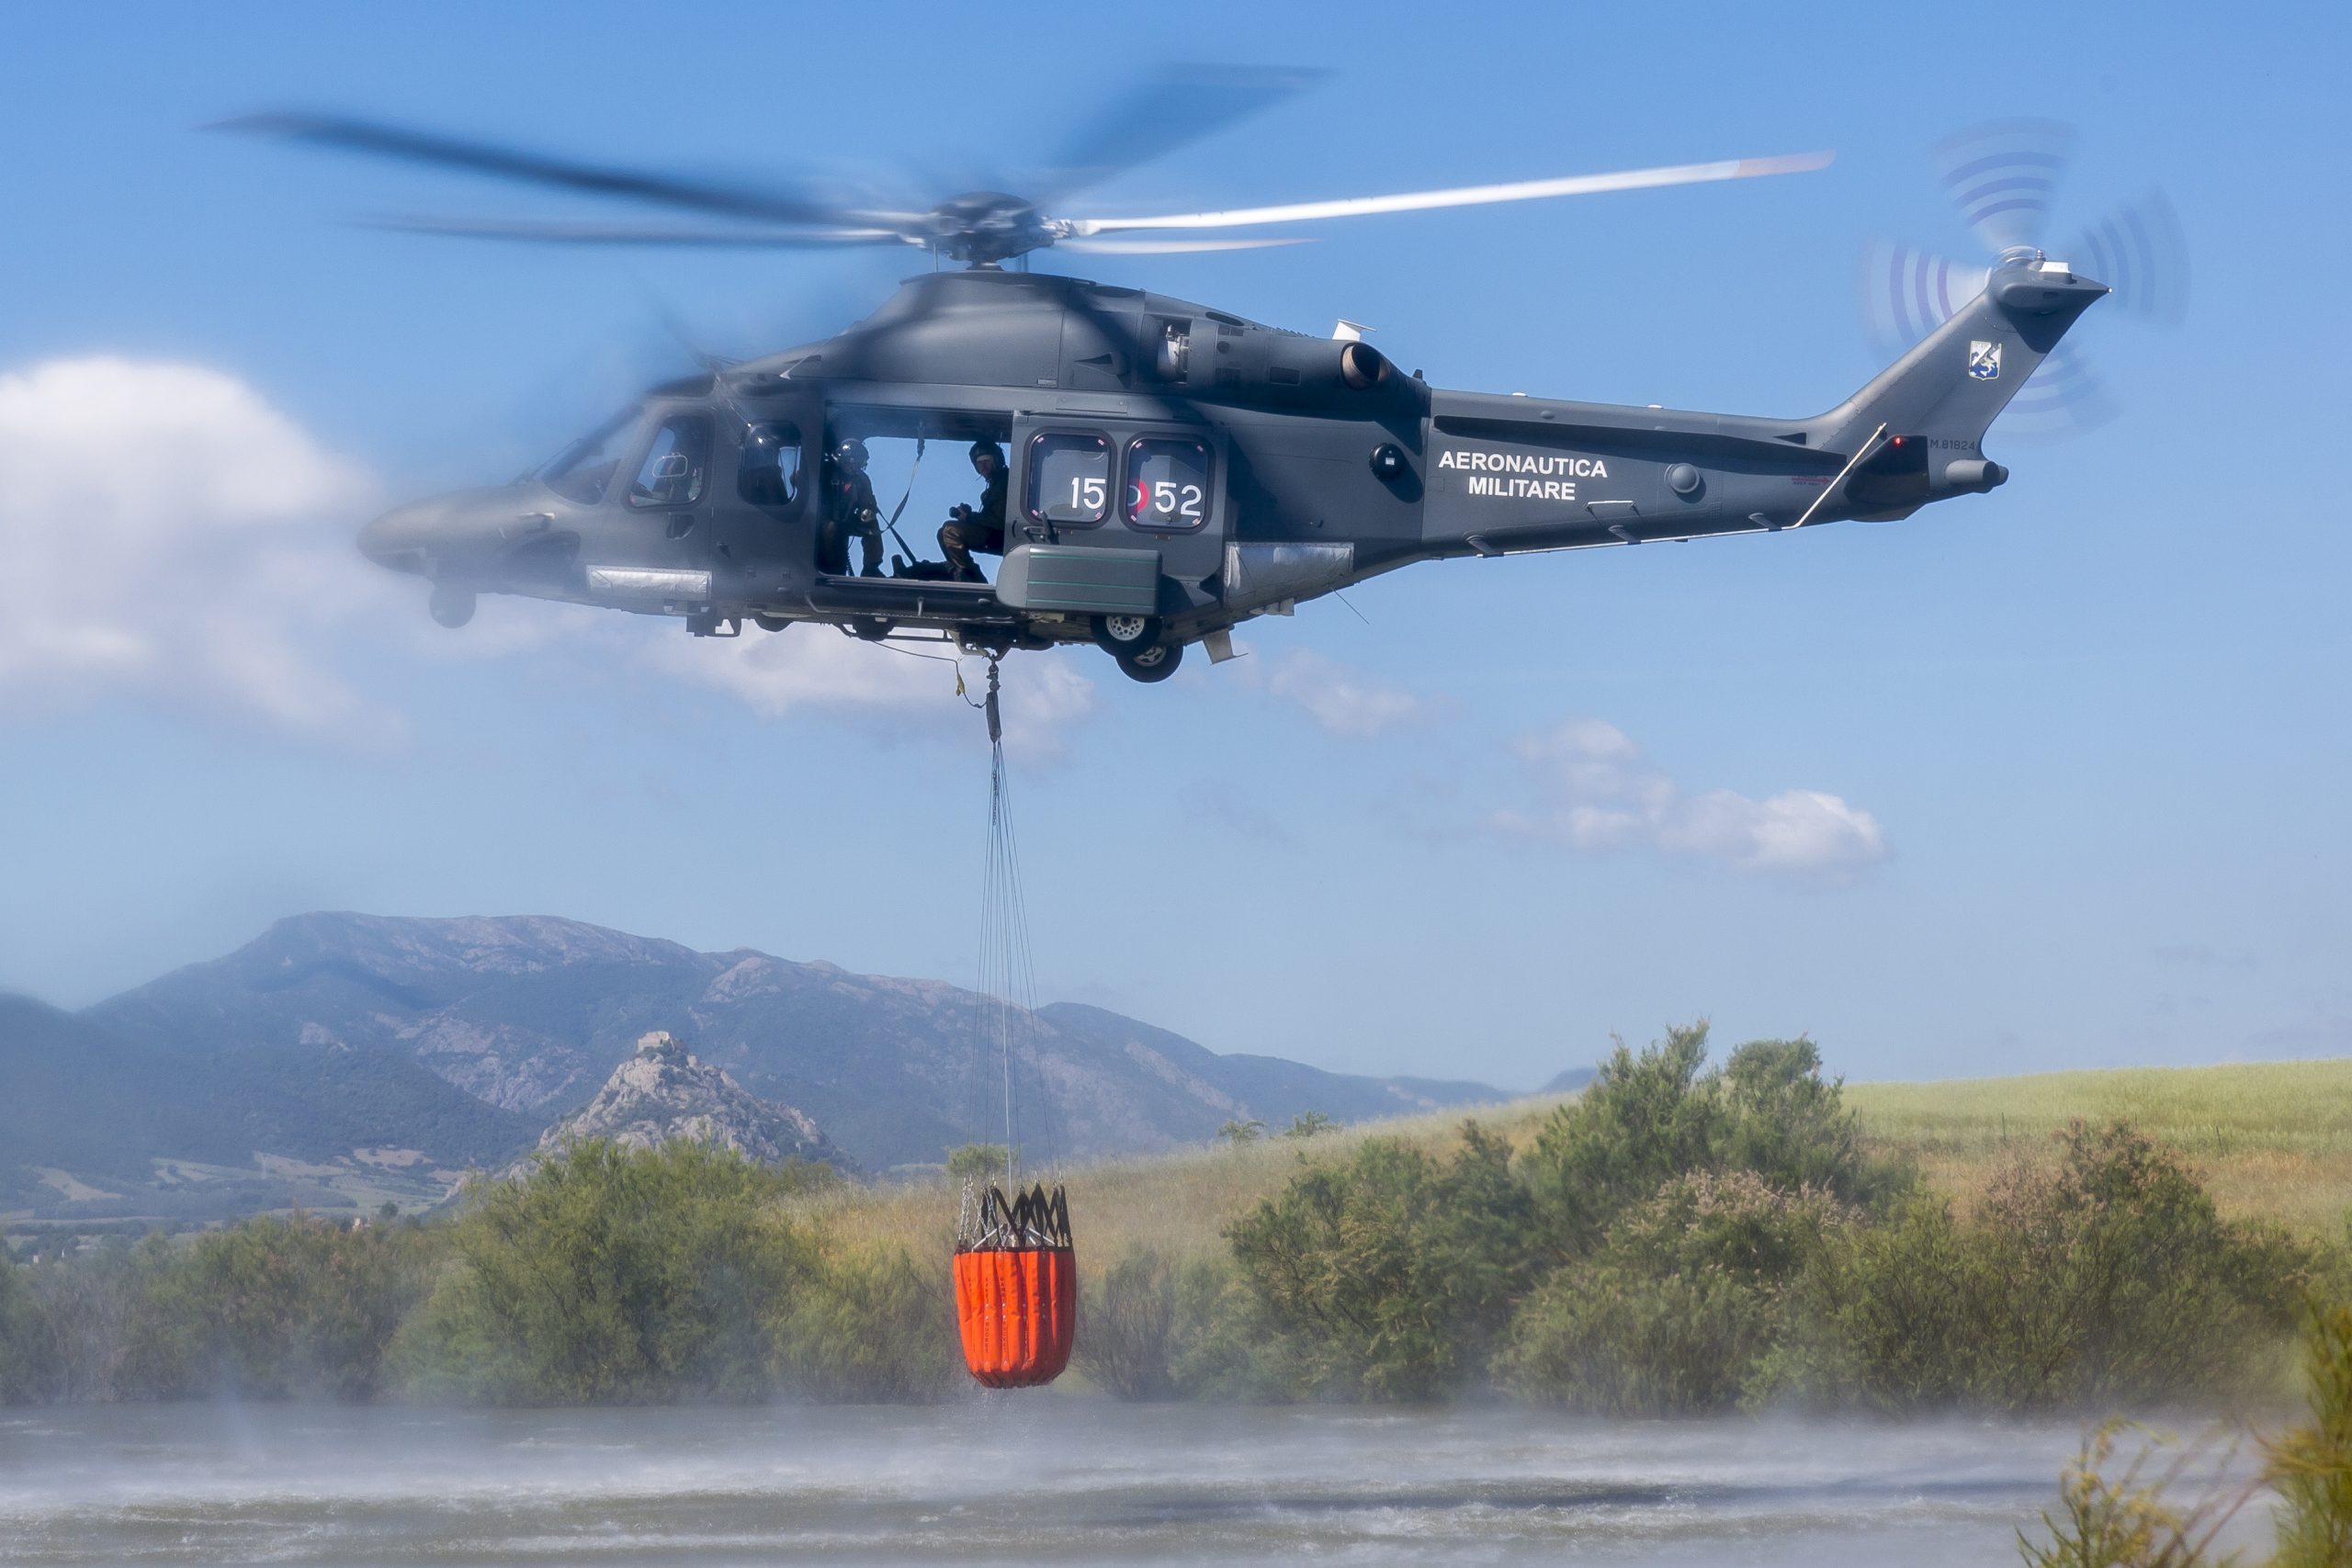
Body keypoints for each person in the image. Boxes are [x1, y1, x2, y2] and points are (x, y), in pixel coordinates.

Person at [939, 439, 1008, 582]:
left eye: (987, 461)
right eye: (979, 462)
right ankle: (959, 570)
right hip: (995, 533)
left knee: (949, 530)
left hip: (1001, 535)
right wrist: (969, 515)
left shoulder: (1003, 483)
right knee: (942, 533)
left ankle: (968, 575)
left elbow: (1000, 521)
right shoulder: (997, 483)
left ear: (997, 461)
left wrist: (970, 518)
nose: (983, 466)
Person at [820, 436, 885, 577]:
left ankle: (871, 567)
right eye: (854, 463)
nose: (856, 468)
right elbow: (798, 480)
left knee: (872, 525)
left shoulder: (862, 479)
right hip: (821, 522)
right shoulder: (823, 472)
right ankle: (829, 567)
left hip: (848, 520)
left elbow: (868, 503)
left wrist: (867, 512)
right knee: (831, 528)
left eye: (860, 464)